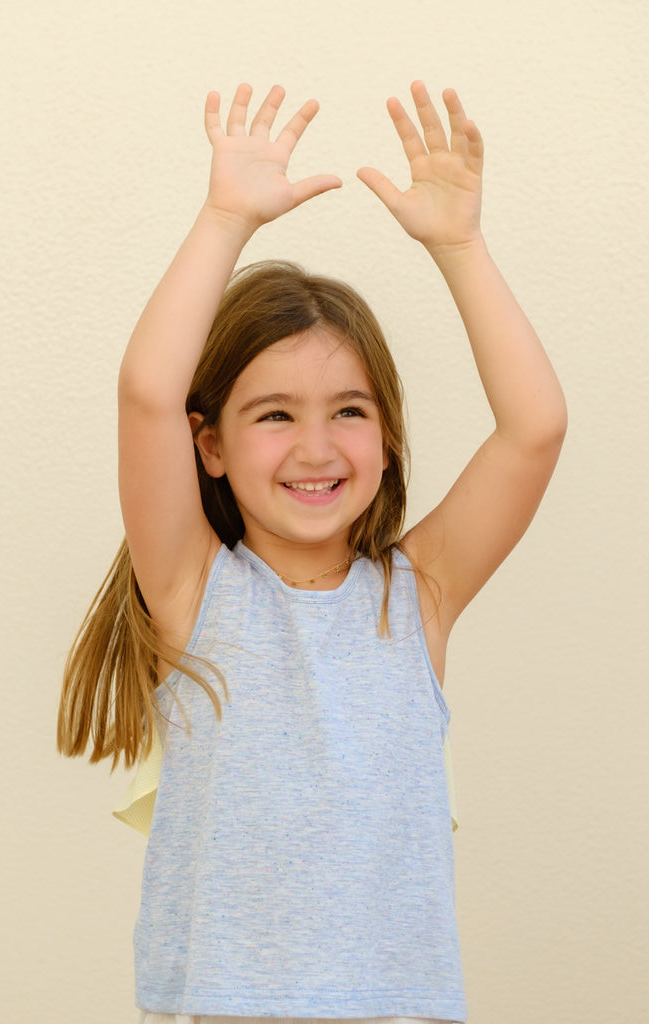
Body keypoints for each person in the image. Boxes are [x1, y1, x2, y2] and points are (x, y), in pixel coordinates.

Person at [58, 82, 567, 1024]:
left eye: (348, 412)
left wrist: (457, 247)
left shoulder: (418, 594)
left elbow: (533, 428)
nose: (316, 448)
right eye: (273, 415)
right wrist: (223, 220)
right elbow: (145, 392)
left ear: (387, 436)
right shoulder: (192, 587)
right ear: (207, 444)